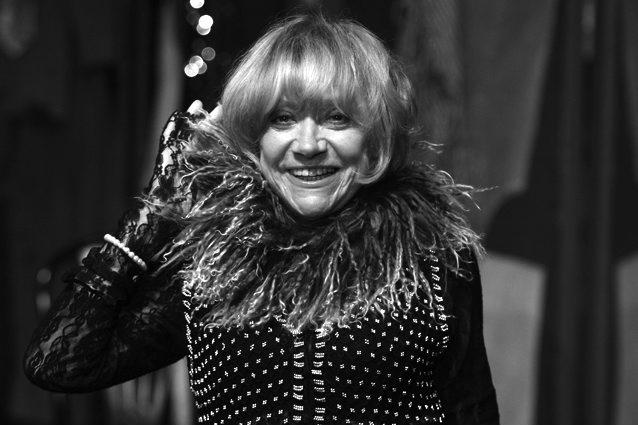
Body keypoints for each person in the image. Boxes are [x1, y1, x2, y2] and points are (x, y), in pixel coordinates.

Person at [24, 14, 499, 424]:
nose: (307, 145)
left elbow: (472, 410)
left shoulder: (432, 257)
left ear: (375, 136)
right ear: (254, 137)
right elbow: (56, 364)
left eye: (336, 118)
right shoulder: (211, 261)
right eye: (282, 119)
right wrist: (157, 208)